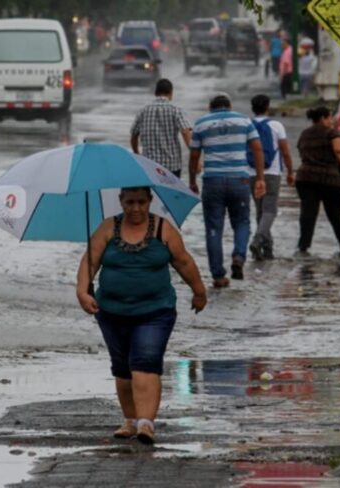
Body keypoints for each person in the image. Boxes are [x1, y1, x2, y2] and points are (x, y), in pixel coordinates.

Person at [76, 187, 206, 445]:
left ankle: (146, 423)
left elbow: (183, 262)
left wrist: (199, 291)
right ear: (121, 202)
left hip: (155, 311)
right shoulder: (106, 228)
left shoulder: (163, 229)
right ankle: (130, 420)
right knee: (123, 368)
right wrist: (82, 291)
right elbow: (89, 262)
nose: (136, 208)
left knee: (145, 361)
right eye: (130, 202)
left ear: (150, 201)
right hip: (111, 312)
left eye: (141, 202)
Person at [189, 93, 266, 288]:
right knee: (242, 222)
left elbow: (194, 155)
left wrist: (192, 181)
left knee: (214, 228)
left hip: (212, 181)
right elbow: (257, 148)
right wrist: (260, 178)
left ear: (210, 107)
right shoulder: (243, 120)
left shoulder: (201, 123)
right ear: (229, 106)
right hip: (239, 180)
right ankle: (239, 256)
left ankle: (218, 276)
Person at [295, 106, 340, 255]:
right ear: (323, 118)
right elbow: (339, 151)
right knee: (335, 212)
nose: (332, 120)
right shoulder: (330, 133)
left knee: (308, 212)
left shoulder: (304, 133)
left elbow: (300, 150)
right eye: (330, 117)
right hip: (328, 179)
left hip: (305, 177)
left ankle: (303, 245)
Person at [248, 94, 295, 260]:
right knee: (270, 211)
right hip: (272, 173)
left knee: (260, 212)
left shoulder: (248, 125)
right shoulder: (276, 125)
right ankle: (257, 241)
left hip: (252, 173)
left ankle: (267, 250)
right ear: (267, 106)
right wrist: (290, 171)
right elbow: (285, 151)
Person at [130, 79, 193, 178]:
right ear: (171, 93)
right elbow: (186, 133)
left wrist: (137, 154)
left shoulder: (143, 111)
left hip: (149, 166)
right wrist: (195, 158)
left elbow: (134, 135)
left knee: (152, 193)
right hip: (172, 167)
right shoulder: (176, 110)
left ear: (155, 93)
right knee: (172, 193)